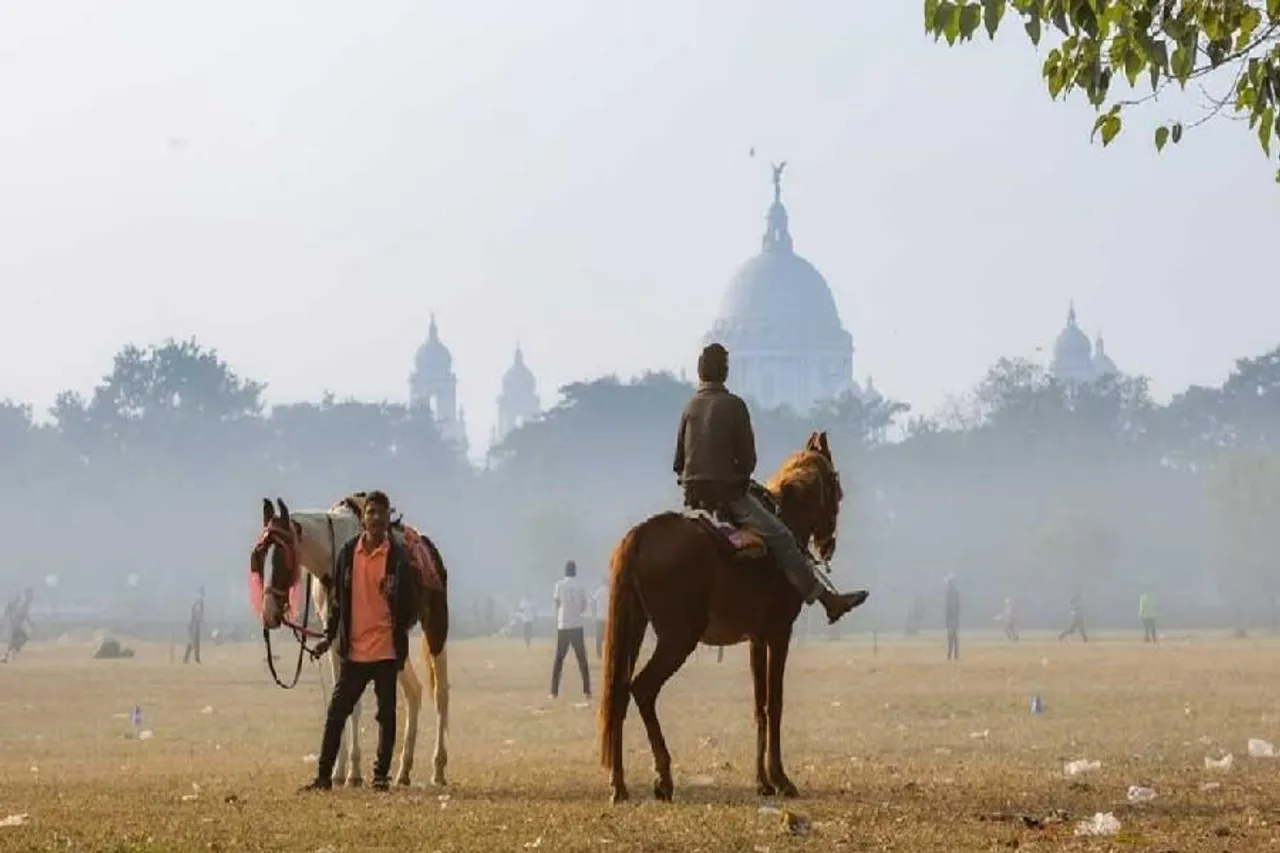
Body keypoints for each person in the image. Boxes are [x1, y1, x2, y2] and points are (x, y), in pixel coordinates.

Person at [673, 343, 868, 624]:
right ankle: (827, 600)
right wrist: (734, 475)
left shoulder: (689, 406)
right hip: (728, 495)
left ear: (700, 371)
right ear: (725, 372)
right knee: (783, 538)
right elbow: (748, 461)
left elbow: (678, 462)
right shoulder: (734, 405)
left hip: (693, 497)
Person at [300, 490, 419, 792]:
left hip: (385, 652)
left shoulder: (397, 558)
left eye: (382, 512)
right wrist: (329, 637)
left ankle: (380, 776)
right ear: (363, 518)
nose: (377, 518)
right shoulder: (348, 554)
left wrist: (399, 636)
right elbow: (337, 601)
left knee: (386, 716)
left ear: (388, 517)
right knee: (336, 713)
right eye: (371, 512)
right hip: (354, 652)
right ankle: (324, 776)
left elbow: (408, 603)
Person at [549, 560, 590, 699]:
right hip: (577, 625)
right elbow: (584, 606)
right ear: (575, 571)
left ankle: (554, 691)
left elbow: (556, 603)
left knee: (559, 660)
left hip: (564, 626)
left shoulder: (559, 585)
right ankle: (587, 690)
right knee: (582, 659)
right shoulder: (580, 586)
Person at [1, 588, 34, 664]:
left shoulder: (18, 606)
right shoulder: (16, 606)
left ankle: (8, 656)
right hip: (15, 627)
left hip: (16, 627)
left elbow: (23, 616)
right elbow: (20, 616)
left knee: (15, 642)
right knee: (16, 642)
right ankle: (9, 655)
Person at [183, 587, 205, 664]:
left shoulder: (197, 599)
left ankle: (192, 658)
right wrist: (198, 619)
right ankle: (192, 658)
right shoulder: (199, 600)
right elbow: (196, 611)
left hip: (194, 623)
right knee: (193, 641)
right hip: (194, 624)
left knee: (194, 642)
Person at [591, 579, 609, 659]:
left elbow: (593, 602)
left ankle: (599, 654)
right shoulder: (610, 591)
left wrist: (593, 614)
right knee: (608, 638)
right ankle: (608, 654)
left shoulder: (598, 591)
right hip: (608, 619)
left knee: (599, 638)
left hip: (599, 618)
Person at [944, 575, 960, 660]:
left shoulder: (950, 593)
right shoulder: (954, 593)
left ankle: (952, 654)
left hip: (952, 618)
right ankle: (953, 654)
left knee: (952, 637)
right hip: (952, 618)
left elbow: (950, 607)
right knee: (953, 637)